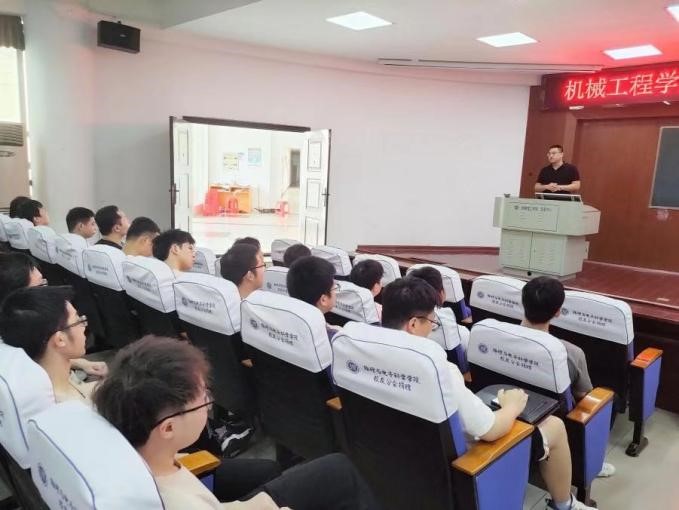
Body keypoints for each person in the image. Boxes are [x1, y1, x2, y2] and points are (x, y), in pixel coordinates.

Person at [93, 336, 381, 510]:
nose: (209, 403)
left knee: (286, 470)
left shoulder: (132, 451)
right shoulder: (178, 502)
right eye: (203, 400)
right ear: (167, 428)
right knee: (342, 471)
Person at [381, 277, 595, 510]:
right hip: (461, 465)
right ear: (413, 324)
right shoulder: (438, 370)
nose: (433, 328)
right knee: (555, 425)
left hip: (399, 459)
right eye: (432, 322)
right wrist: (512, 406)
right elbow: (490, 430)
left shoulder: (368, 356)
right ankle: (565, 505)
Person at [521, 276, 615, 478]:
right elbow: (584, 396)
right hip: (551, 425)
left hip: (511, 412)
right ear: (557, 312)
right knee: (602, 403)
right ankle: (591, 462)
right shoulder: (570, 353)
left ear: (523, 303)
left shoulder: (494, 337)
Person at [0, 253, 106, 378]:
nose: (48, 290)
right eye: (40, 285)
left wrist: (79, 363)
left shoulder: (15, 330)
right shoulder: (15, 361)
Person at [0, 286, 98, 403]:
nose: (83, 327)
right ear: (60, 340)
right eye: (78, 321)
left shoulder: (43, 379)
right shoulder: (72, 405)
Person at [286, 256, 340, 340]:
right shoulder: (336, 337)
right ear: (323, 300)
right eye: (334, 288)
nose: (336, 292)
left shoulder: (284, 325)